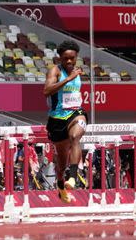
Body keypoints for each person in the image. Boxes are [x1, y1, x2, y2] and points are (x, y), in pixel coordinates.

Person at [43, 40, 87, 203]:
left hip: (76, 113)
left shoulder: (77, 71)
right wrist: (68, 79)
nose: (69, 61)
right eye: (65, 58)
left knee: (75, 137)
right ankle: (61, 185)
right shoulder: (55, 71)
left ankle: (73, 177)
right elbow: (46, 91)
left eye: (72, 58)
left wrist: (73, 76)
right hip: (57, 120)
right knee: (61, 164)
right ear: (60, 58)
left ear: (76, 57)